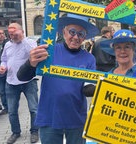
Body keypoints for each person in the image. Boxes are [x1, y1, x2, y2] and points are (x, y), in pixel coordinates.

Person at [17, 14, 99, 144]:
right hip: (50, 116)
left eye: (81, 34)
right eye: (72, 32)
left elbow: (87, 89)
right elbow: (22, 76)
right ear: (64, 32)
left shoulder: (89, 58)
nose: (76, 37)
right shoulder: (49, 51)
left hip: (76, 118)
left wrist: (104, 89)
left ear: (85, 37)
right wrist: (30, 63)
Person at [0, 23, 39, 144]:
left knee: (34, 109)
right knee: (12, 111)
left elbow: (34, 55)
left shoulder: (30, 42)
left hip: (29, 81)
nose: (12, 37)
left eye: (15, 34)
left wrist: (22, 39)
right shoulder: (7, 45)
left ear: (22, 31)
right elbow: (4, 60)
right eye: (10, 35)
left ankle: (34, 131)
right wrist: (2, 67)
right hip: (11, 82)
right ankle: (15, 132)